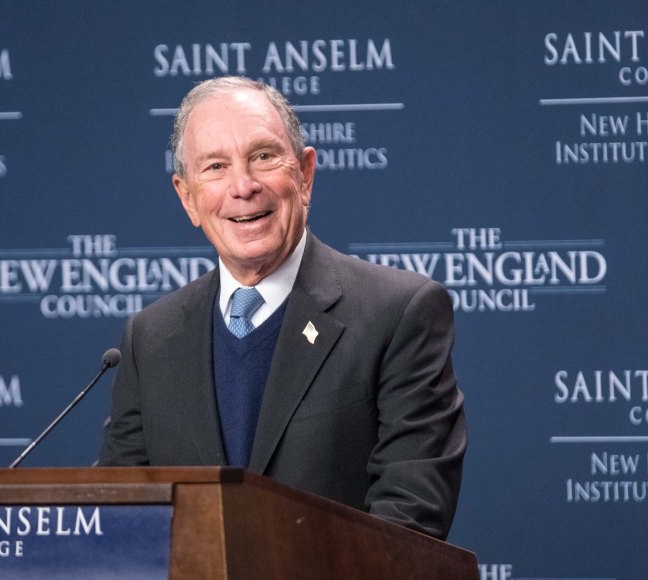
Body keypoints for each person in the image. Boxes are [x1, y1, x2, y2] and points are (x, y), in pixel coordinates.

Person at [98, 76, 466, 540]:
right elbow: (116, 518)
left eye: (263, 156)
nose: (243, 186)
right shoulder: (150, 337)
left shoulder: (397, 314)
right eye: (215, 167)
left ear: (305, 174)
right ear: (187, 197)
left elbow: (409, 522)